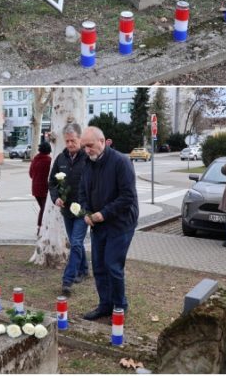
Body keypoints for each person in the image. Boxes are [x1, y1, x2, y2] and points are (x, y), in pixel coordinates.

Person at [78, 126, 138, 322]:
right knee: (99, 266)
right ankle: (105, 305)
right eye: (84, 146)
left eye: (90, 145)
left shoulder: (121, 162)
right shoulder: (87, 163)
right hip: (97, 224)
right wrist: (86, 212)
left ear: (102, 142)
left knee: (113, 265)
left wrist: (103, 214)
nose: (87, 150)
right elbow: (82, 193)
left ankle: (120, 306)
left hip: (120, 224)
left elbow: (127, 197)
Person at [48, 122, 90, 297]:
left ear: (80, 139)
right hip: (66, 210)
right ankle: (85, 270)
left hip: (83, 210)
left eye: (73, 141)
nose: (70, 144)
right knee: (74, 243)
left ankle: (67, 280)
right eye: (67, 141)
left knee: (77, 242)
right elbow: (52, 182)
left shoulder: (88, 158)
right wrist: (56, 197)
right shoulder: (60, 159)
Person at [30, 141, 52, 233]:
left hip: (35, 188)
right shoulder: (49, 160)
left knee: (43, 208)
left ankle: (43, 226)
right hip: (44, 189)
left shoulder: (35, 159)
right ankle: (40, 227)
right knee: (44, 209)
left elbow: (31, 174)